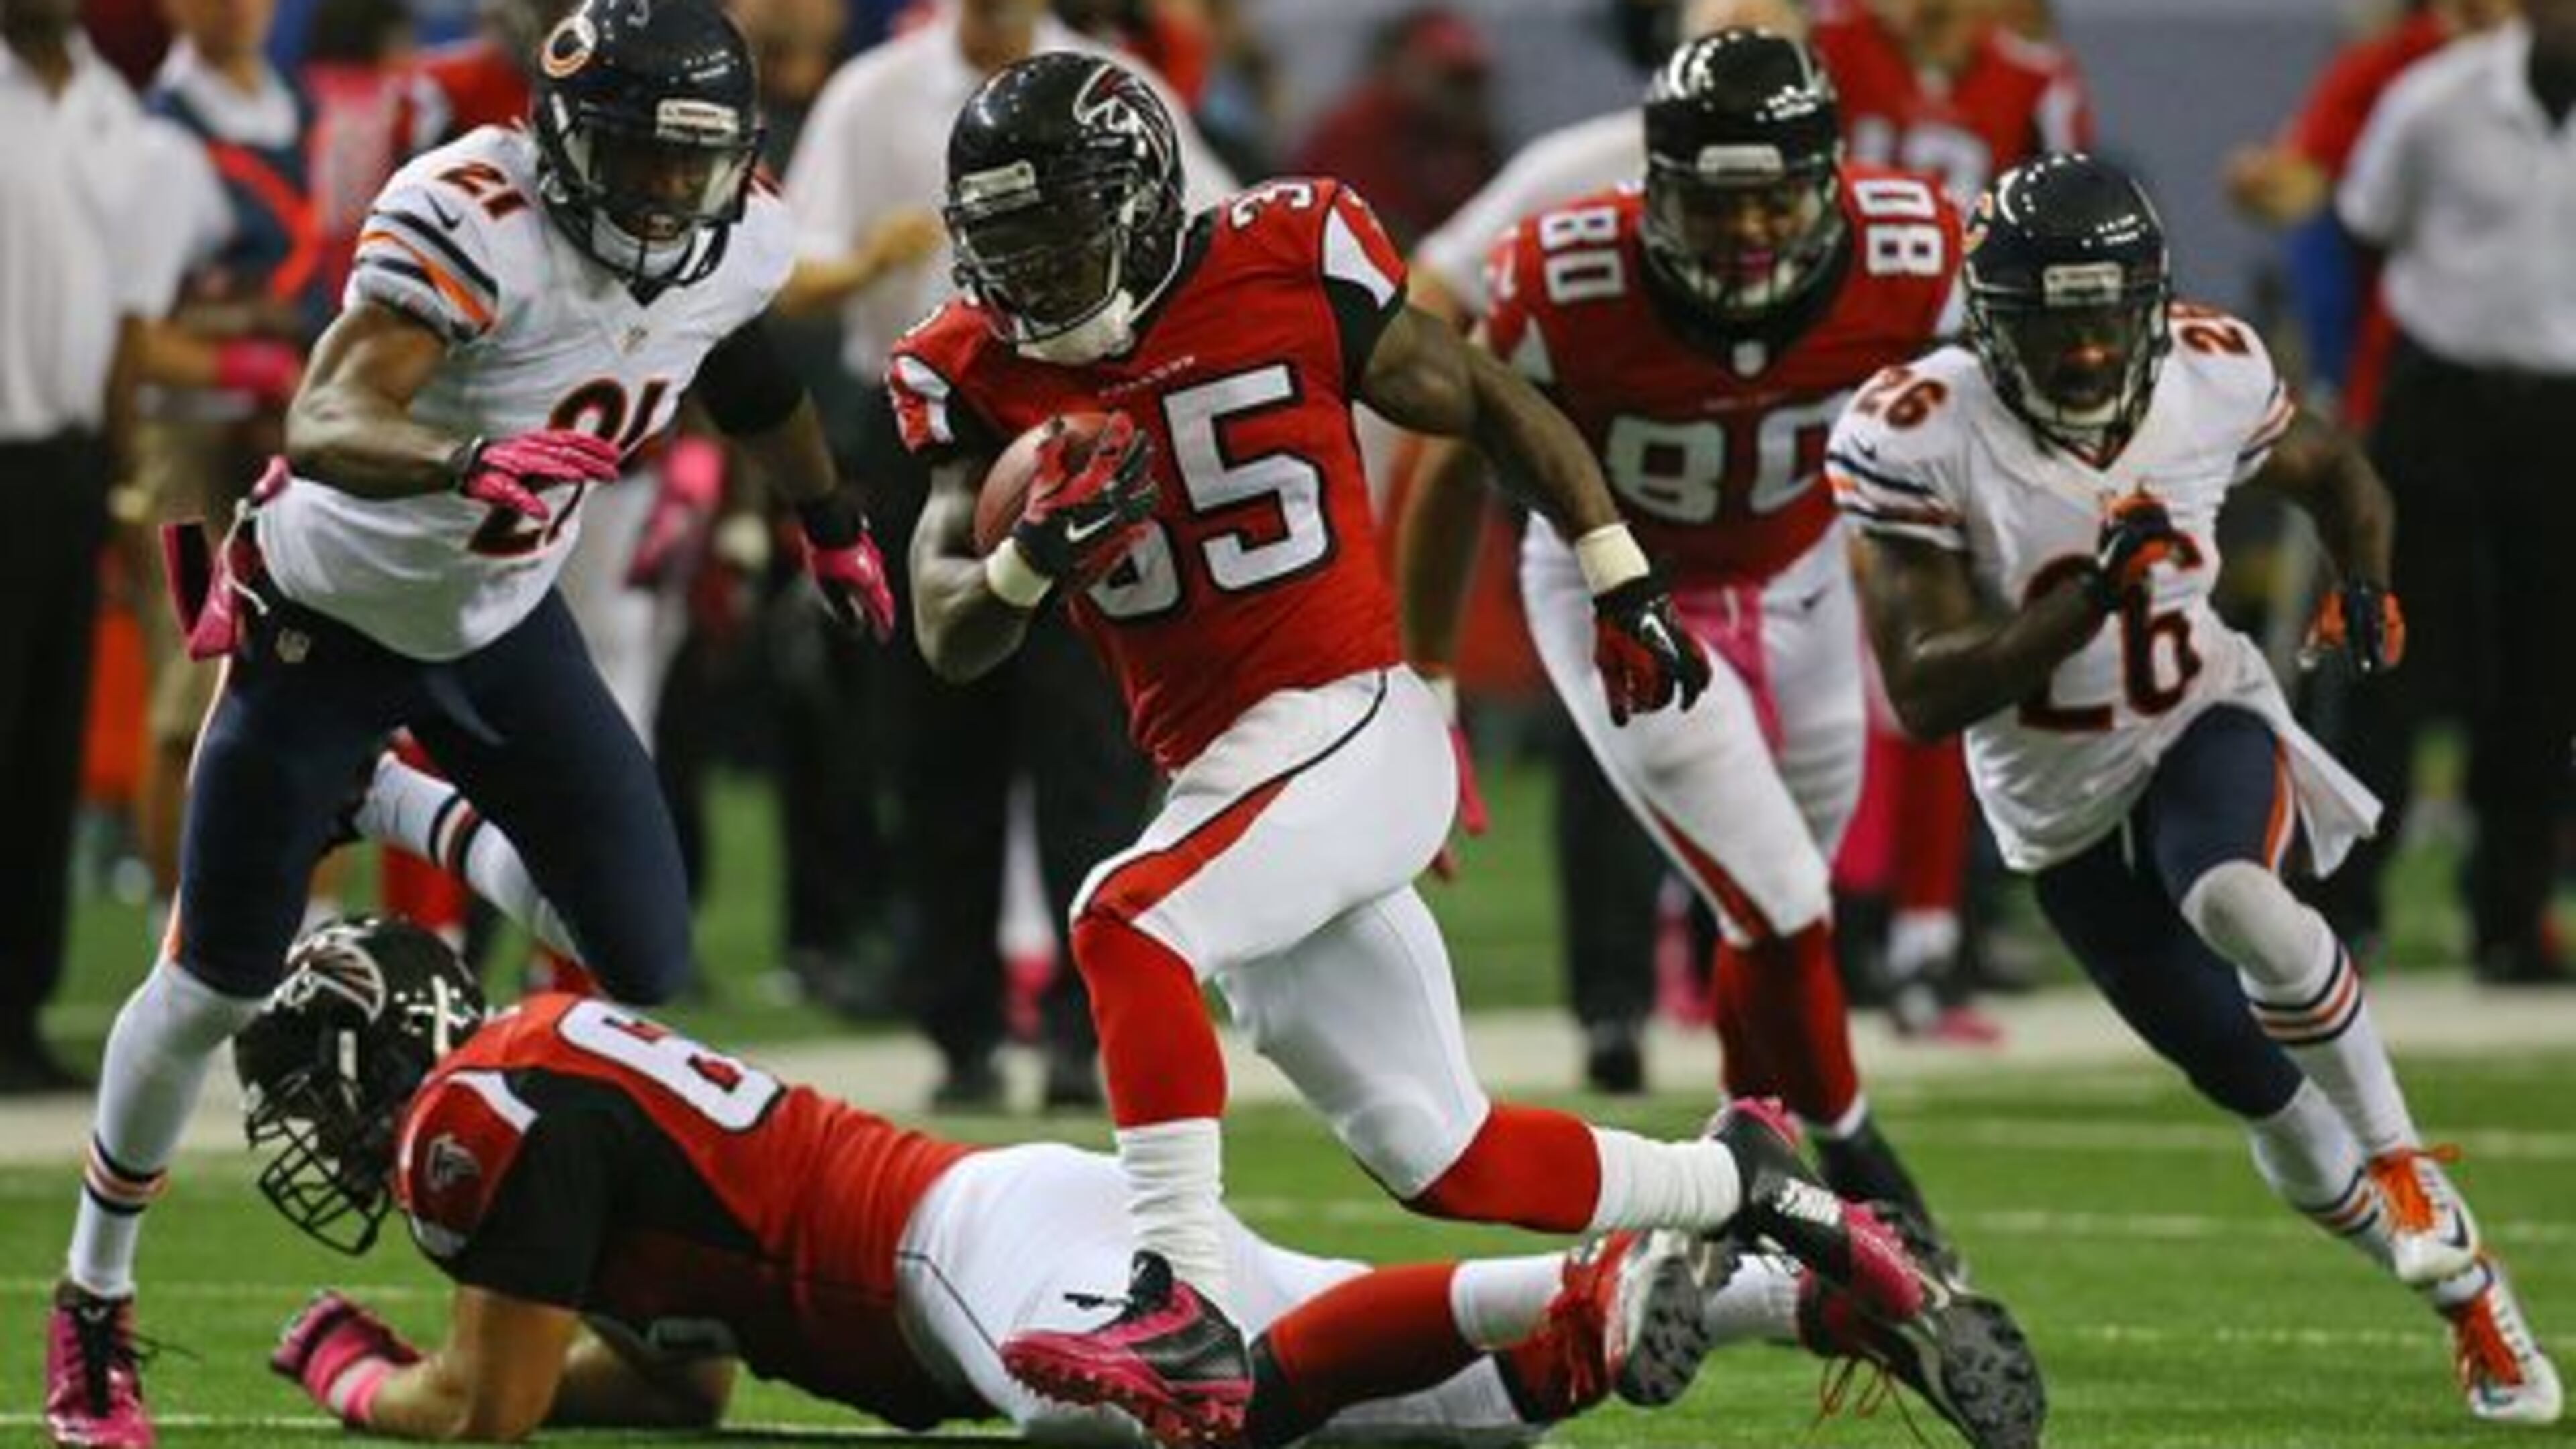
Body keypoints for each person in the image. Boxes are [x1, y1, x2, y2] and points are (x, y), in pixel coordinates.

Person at [892, 51, 1934, 1446]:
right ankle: (1747, 1182)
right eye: (1007, 243)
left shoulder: (1282, 255)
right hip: (1227, 773)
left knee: (1123, 918)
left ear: (1140, 205)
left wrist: (1618, 572)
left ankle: (1184, 1304)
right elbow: (948, 631)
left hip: (1354, 714)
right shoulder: (966, 363)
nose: (1033, 273)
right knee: (1446, 1156)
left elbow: (1491, 401)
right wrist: (1030, 559)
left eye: (1061, 233)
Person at [41, 1, 901, 1443]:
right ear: (565, 139)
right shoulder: (472, 211)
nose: (668, 196)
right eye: (641, 160)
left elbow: (746, 367)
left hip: (500, 627)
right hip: (323, 627)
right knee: (211, 985)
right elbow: (326, 415)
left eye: (693, 164)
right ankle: (92, 1303)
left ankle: (390, 800)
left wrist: (828, 519)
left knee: (642, 953)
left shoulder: (736, 228)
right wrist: (468, 454)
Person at [238, 913, 2039, 1448]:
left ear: (383, 1060)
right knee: (1417, 1420)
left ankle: (1600, 1289)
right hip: (1000, 1225)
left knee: (1124, 1422)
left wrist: (350, 1372)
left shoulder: (471, 1115)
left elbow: (484, 1410)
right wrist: (506, 1375)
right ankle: (1798, 1288)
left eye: (319, 1092)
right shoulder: (538, 1067)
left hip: (952, 1258)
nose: (326, 1136)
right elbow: (678, 1387)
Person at [1832, 152, 2563, 1427]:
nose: (2084, 354)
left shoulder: (2208, 369)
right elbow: (1927, 689)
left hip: (2196, 719)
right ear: (1990, 323)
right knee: (2259, 1092)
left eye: (2107, 322)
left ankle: (2404, 1163)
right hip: (2056, 810)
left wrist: (2365, 578)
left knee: (2235, 895)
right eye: (2052, 327)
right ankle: (2469, 1297)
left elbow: (2337, 471)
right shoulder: (1918, 430)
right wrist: (2088, 602)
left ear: (2152, 304)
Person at [1405, 30, 1960, 1238]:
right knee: (1782, 900)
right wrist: (1430, 679)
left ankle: (1740, 1173)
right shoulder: (1567, 274)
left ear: (1828, 184)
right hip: (1622, 597)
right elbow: (1454, 462)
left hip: (1803, 576)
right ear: (1657, 187)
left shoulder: (1913, 249)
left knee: (1775, 913)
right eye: (1718, 202)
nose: (1749, 230)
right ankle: (1857, 1160)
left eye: (1775, 199)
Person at [784, 0, 1234, 1108]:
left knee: (1092, 739)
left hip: (1077, 416)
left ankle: (1088, 1026)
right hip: (921, 421)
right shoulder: (875, 92)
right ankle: (962, 1028)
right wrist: (864, 267)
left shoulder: (1108, 83)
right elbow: (790, 264)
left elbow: (1213, 227)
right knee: (935, 738)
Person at [1399, 0, 1805, 1095]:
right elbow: (1429, 300)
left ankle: (1760, 996)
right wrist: (1499, 408)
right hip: (1608, 516)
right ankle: (1619, 999)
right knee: (1613, 742)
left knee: (1782, 779)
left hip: (1780, 527)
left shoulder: (1853, 203)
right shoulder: (1578, 177)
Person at [2326, 0, 2576, 987]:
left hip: (2562, 412)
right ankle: (2340, 910)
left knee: (2546, 670)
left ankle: (2511, 921)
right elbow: (2363, 224)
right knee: (2387, 643)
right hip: (2439, 396)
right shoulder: (2434, 98)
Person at [0, 0, 193, 1094]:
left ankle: (18, 1009)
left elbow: (125, 317)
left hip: (73, 461)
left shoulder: (112, 107)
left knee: (46, 747)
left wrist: (124, 478)